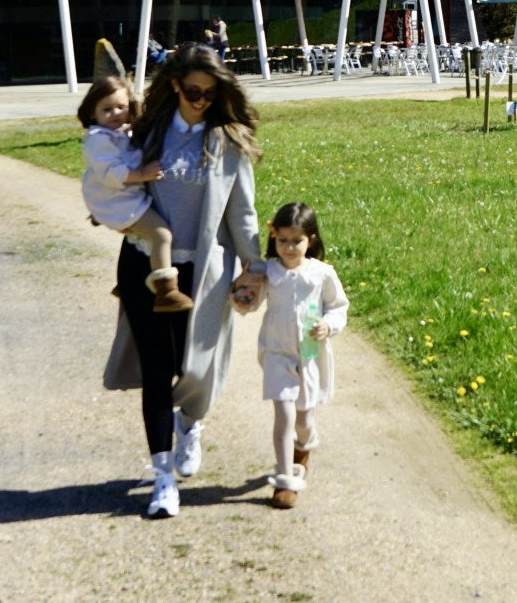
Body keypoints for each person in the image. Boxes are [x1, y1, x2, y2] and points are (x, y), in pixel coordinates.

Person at [115, 44, 269, 519]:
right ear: (176, 86)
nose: (202, 100)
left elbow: (241, 213)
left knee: (199, 369)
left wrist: (255, 266)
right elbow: (109, 178)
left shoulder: (228, 141)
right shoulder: (150, 133)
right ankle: (163, 478)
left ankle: (191, 422)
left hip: (204, 272)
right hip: (148, 268)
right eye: (194, 91)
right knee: (158, 371)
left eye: (211, 92)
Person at [254, 201, 348, 509]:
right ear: (274, 238)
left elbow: (338, 306)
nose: (289, 247)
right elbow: (249, 300)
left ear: (312, 240)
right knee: (284, 415)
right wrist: (241, 296)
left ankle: (304, 447)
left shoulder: (321, 274)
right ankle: (286, 481)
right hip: (276, 354)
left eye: (297, 241)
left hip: (309, 356)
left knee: (304, 419)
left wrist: (328, 325)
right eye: (282, 240)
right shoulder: (267, 271)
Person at [78, 76, 192, 313]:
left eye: (121, 107)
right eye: (107, 109)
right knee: (161, 235)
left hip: (120, 199)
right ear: (92, 113)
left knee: (144, 238)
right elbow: (112, 173)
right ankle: (166, 291)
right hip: (117, 201)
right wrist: (142, 174)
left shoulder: (120, 133)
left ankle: (128, 283)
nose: (116, 114)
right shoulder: (98, 140)